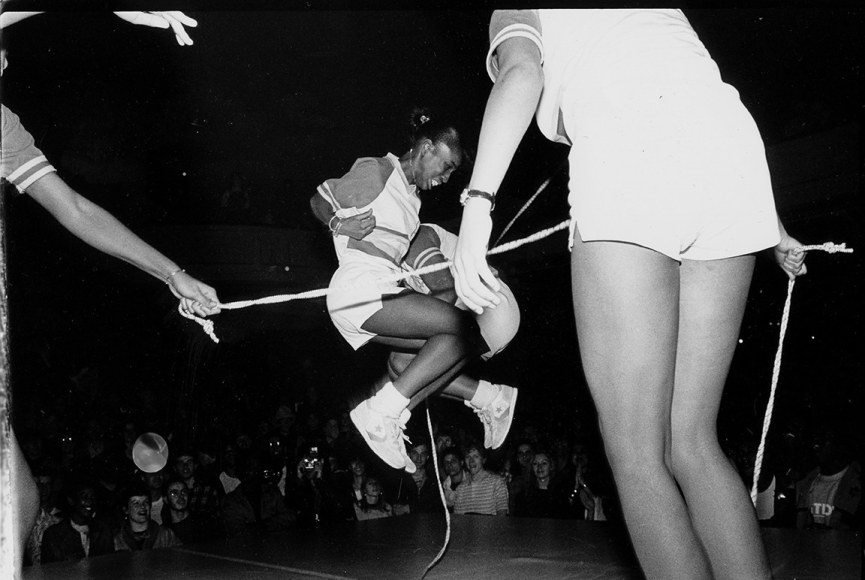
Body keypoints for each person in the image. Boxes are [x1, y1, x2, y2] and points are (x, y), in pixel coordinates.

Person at [451, 10, 809, 580]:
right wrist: (772, 226)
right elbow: (682, 82)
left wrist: (477, 205)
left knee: (638, 454)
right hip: (735, 155)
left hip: (632, 147)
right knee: (691, 439)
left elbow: (522, 75)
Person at [1, 10, 218, 576]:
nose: (4, 60)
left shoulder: (1, 127)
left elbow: (76, 209)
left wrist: (173, 273)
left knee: (17, 501)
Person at [309, 108, 515, 474]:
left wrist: (473, 268)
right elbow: (320, 199)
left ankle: (489, 398)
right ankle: (380, 413)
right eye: (447, 166)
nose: (447, 178)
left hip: (380, 286)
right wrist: (339, 221)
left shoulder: (412, 203)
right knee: (456, 328)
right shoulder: (378, 172)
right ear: (426, 148)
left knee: (410, 361)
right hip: (360, 285)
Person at [795, 428, 861, 530]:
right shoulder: (805, 483)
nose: (816, 445)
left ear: (839, 445)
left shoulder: (856, 484)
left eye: (825, 440)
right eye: (815, 440)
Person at [40, 480, 115, 563]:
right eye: (84, 497)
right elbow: (48, 571)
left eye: (93, 497)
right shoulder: (54, 534)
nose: (89, 501)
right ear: (71, 500)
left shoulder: (103, 531)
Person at [113, 484, 182, 551]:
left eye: (145, 502)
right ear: (126, 510)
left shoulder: (166, 535)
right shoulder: (118, 541)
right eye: (136, 503)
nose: (142, 506)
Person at [453, 443, 508, 516]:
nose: (471, 461)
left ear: (483, 459)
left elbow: (502, 518)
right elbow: (458, 522)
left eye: (476, 456)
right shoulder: (460, 489)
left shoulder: (497, 483)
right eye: (467, 457)